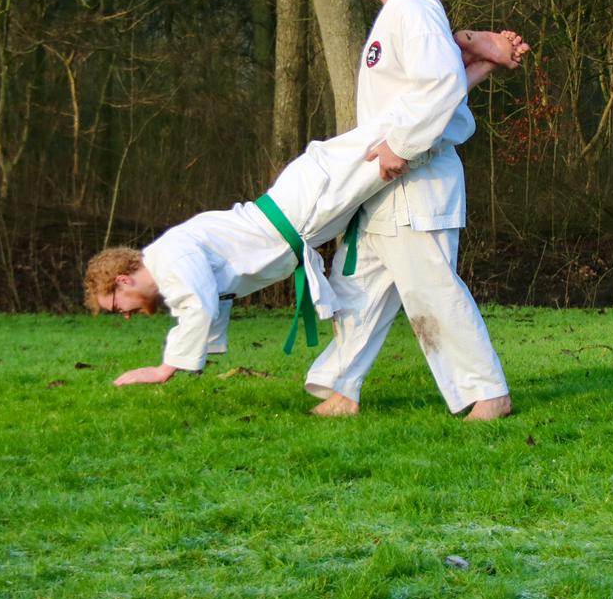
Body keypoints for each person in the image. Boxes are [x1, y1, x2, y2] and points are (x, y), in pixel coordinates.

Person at [84, 28, 527, 388]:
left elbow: (196, 306)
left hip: (304, 204)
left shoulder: (166, 258)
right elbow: (206, 303)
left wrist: (165, 368)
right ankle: (483, 63)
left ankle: (456, 44)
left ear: (123, 278)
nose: (122, 312)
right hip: (306, 213)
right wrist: (191, 361)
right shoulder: (172, 264)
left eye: (115, 302)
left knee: (400, 135)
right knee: (404, 135)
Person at [305, 0, 513, 421]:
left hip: (416, 182)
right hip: (386, 186)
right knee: (357, 286)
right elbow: (435, 88)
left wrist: (399, 143)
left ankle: (488, 393)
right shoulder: (398, 15)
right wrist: (483, 63)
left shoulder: (415, 10)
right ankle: (342, 388)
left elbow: (439, 89)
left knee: (431, 290)